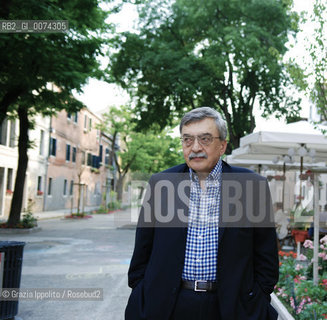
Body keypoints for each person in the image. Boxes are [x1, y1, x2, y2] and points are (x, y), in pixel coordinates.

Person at [125, 107, 279, 320]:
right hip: (168, 306)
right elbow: (142, 251)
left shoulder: (252, 186)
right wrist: (141, 291)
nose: (195, 147)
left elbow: (266, 256)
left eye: (205, 139)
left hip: (230, 307)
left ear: (222, 145)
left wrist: (257, 298)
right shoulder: (161, 184)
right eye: (187, 140)